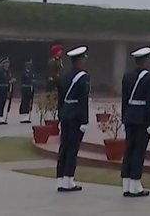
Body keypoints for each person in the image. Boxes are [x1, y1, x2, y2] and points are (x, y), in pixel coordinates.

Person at [120, 46, 150, 198]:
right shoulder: (149, 77)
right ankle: (135, 186)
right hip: (142, 118)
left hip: (129, 116)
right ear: (146, 60)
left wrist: (123, 118)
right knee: (138, 151)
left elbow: (124, 100)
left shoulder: (127, 76)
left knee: (129, 150)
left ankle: (126, 185)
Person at [56, 45, 90, 193]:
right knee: (72, 149)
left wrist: (60, 115)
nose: (85, 61)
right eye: (83, 59)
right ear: (79, 61)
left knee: (64, 147)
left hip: (65, 114)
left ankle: (61, 179)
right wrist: (84, 120)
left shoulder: (64, 77)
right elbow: (83, 101)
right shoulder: (83, 77)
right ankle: (68, 180)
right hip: (76, 116)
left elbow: (60, 100)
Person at [46, 44, 64, 119]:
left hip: (58, 81)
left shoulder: (59, 60)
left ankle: (58, 114)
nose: (61, 52)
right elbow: (52, 73)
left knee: (59, 99)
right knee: (51, 98)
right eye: (59, 51)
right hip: (53, 82)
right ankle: (50, 114)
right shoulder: (52, 61)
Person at [18, 59, 36, 124]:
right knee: (24, 101)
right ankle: (23, 115)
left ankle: (27, 115)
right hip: (25, 88)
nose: (29, 66)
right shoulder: (23, 73)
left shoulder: (32, 73)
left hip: (30, 88)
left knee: (29, 102)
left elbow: (33, 79)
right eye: (28, 65)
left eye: (30, 65)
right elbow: (22, 81)